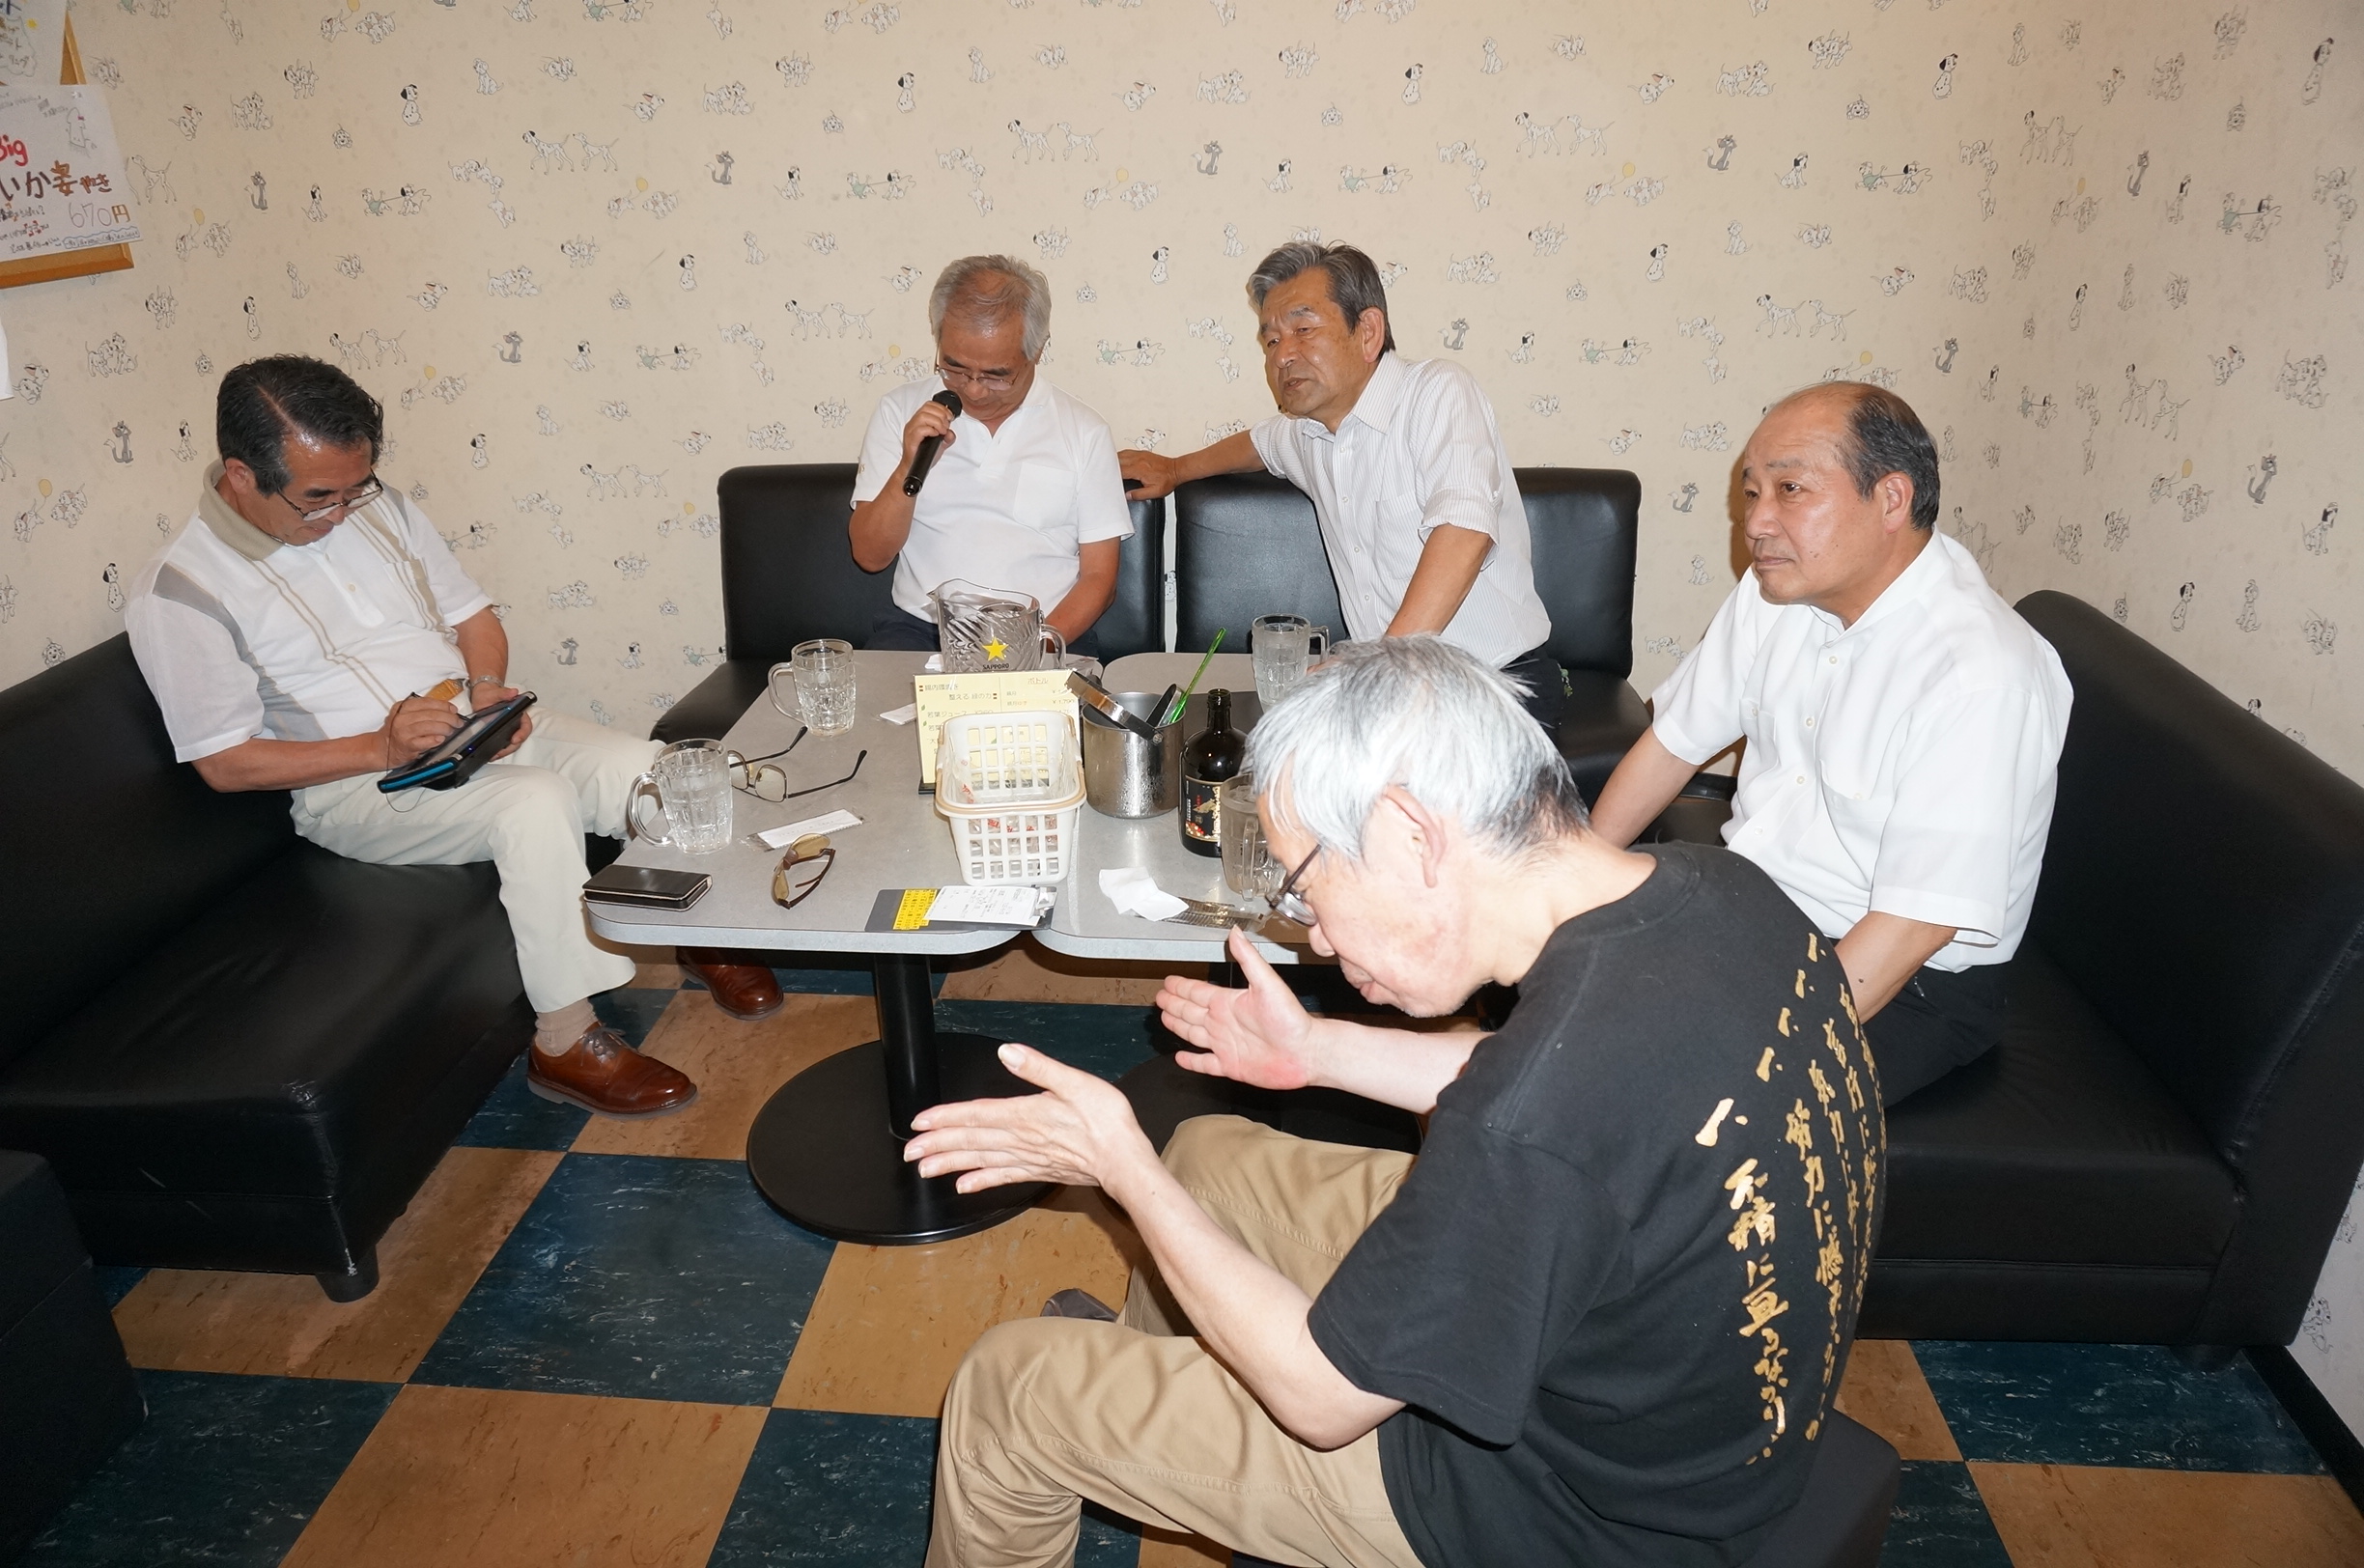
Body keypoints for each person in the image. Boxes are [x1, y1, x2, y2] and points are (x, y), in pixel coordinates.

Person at [909, 637, 1884, 1568]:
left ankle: (1097, 1415)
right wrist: (1315, 1050)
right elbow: (1550, 1081)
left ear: (1414, 835)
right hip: (1674, 1390)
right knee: (1203, 1159)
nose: (1318, 938)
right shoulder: (1719, 890)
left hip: (1564, 1511)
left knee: (1010, 1390)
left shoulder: (1534, 1122)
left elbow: (1324, 1399)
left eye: (1307, 885)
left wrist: (1119, 1165)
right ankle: (1159, 1389)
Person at [123, 355, 783, 1117]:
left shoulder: (380, 509)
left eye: (356, 489)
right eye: (318, 499)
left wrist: (487, 691)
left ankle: (703, 935)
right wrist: (380, 748)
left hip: (467, 729)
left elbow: (473, 617)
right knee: (533, 803)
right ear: (241, 476)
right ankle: (565, 1041)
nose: (341, 514)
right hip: (359, 787)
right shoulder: (181, 593)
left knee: (647, 770)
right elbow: (225, 763)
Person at [1590, 383, 2072, 1105]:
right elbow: (1673, 743)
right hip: (1760, 905)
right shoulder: (1776, 595)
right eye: (1752, 492)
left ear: (1891, 499)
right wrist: (1572, 888)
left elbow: (1914, 927)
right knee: (1568, 991)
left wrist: (1755, 1047)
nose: (1756, 523)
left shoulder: (1979, 675)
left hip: (1906, 980)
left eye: (1790, 489)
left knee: (1664, 1095)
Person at [1118, 241, 1562, 722]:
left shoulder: (1437, 392)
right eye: (1271, 341)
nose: (1282, 356)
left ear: (1368, 332)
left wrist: (1379, 665)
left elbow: (1465, 532)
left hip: (1494, 686)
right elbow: (1257, 445)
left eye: (1303, 330)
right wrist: (1176, 469)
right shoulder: (1310, 433)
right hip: (1386, 693)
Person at [849, 255, 1134, 655]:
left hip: (1044, 633)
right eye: (954, 368)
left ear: (1037, 351)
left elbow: (1099, 580)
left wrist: (1030, 651)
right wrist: (907, 467)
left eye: (996, 375)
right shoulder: (900, 412)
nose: (974, 389)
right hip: (920, 633)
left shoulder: (1084, 432)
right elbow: (869, 556)